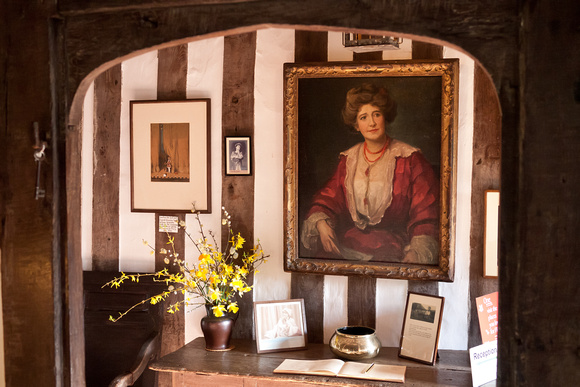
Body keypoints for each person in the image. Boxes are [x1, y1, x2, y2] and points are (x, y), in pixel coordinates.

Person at [300, 83, 439, 264]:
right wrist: (321, 222)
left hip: (392, 250)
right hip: (347, 246)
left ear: (385, 118)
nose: (371, 123)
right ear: (356, 124)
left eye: (377, 114)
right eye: (363, 117)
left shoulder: (409, 158)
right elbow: (329, 197)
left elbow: (426, 214)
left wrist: (416, 253)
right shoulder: (348, 159)